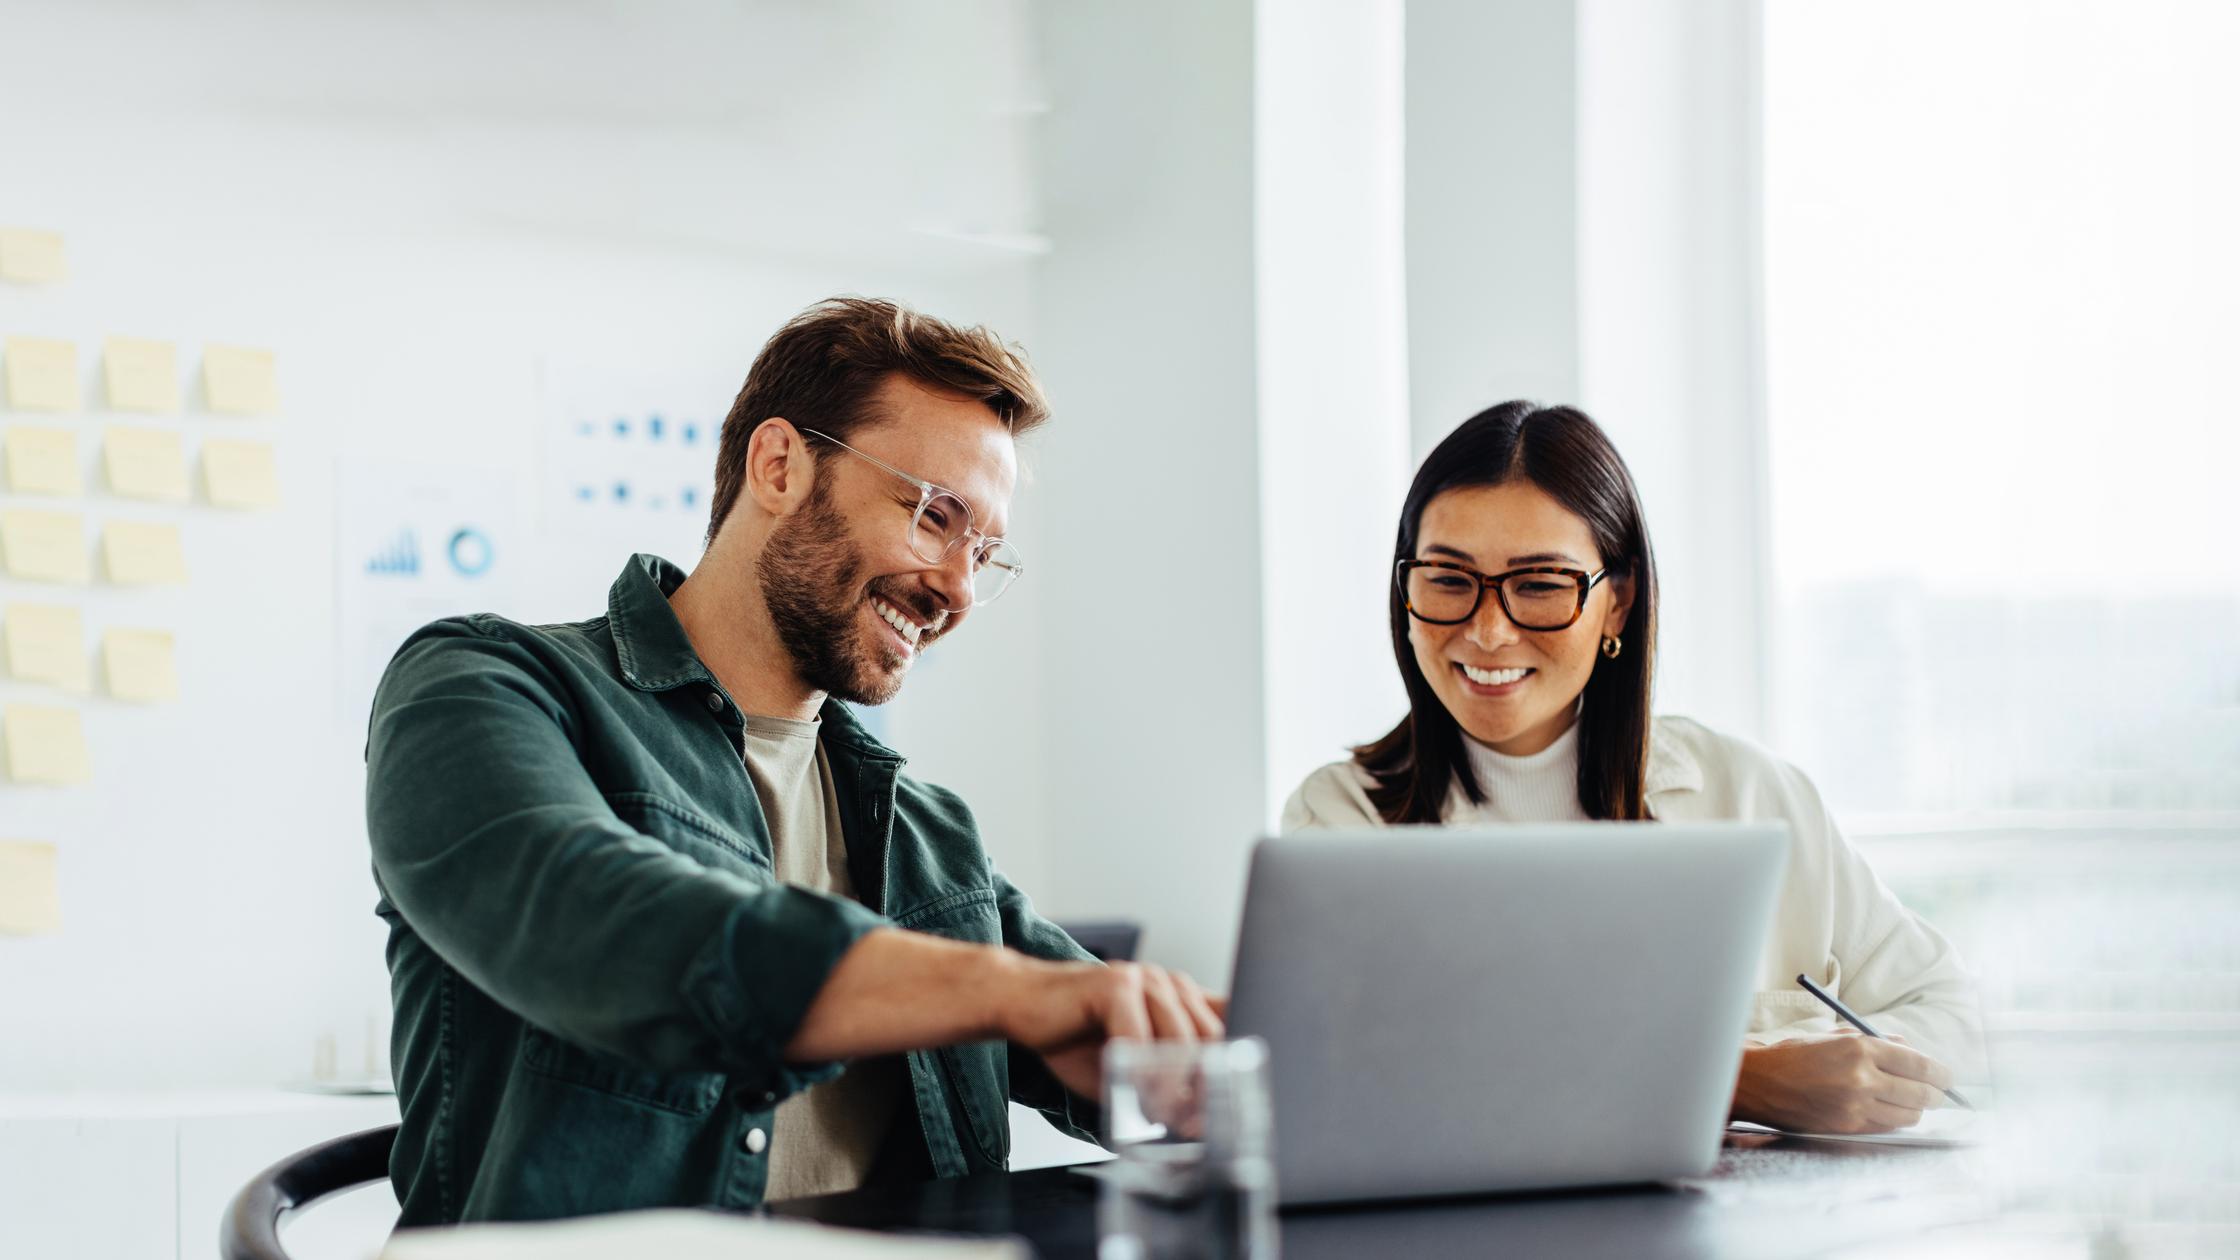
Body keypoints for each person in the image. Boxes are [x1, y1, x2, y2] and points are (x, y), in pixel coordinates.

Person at [366, 297, 1222, 1225]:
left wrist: (1199, 1057)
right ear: (779, 465)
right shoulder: (486, 683)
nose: (959, 589)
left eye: (985, 551)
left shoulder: (929, 833)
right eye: (936, 517)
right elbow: (598, 916)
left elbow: (1093, 1021)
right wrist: (1010, 992)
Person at [1283, 401, 1983, 1136]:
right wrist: (1736, 1080)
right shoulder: (1339, 822)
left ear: (1616, 603)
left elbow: (1954, 1019)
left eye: (1541, 585)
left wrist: (1844, 1073)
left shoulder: (1749, 794)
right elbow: (1359, 1080)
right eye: (1449, 580)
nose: (1488, 630)